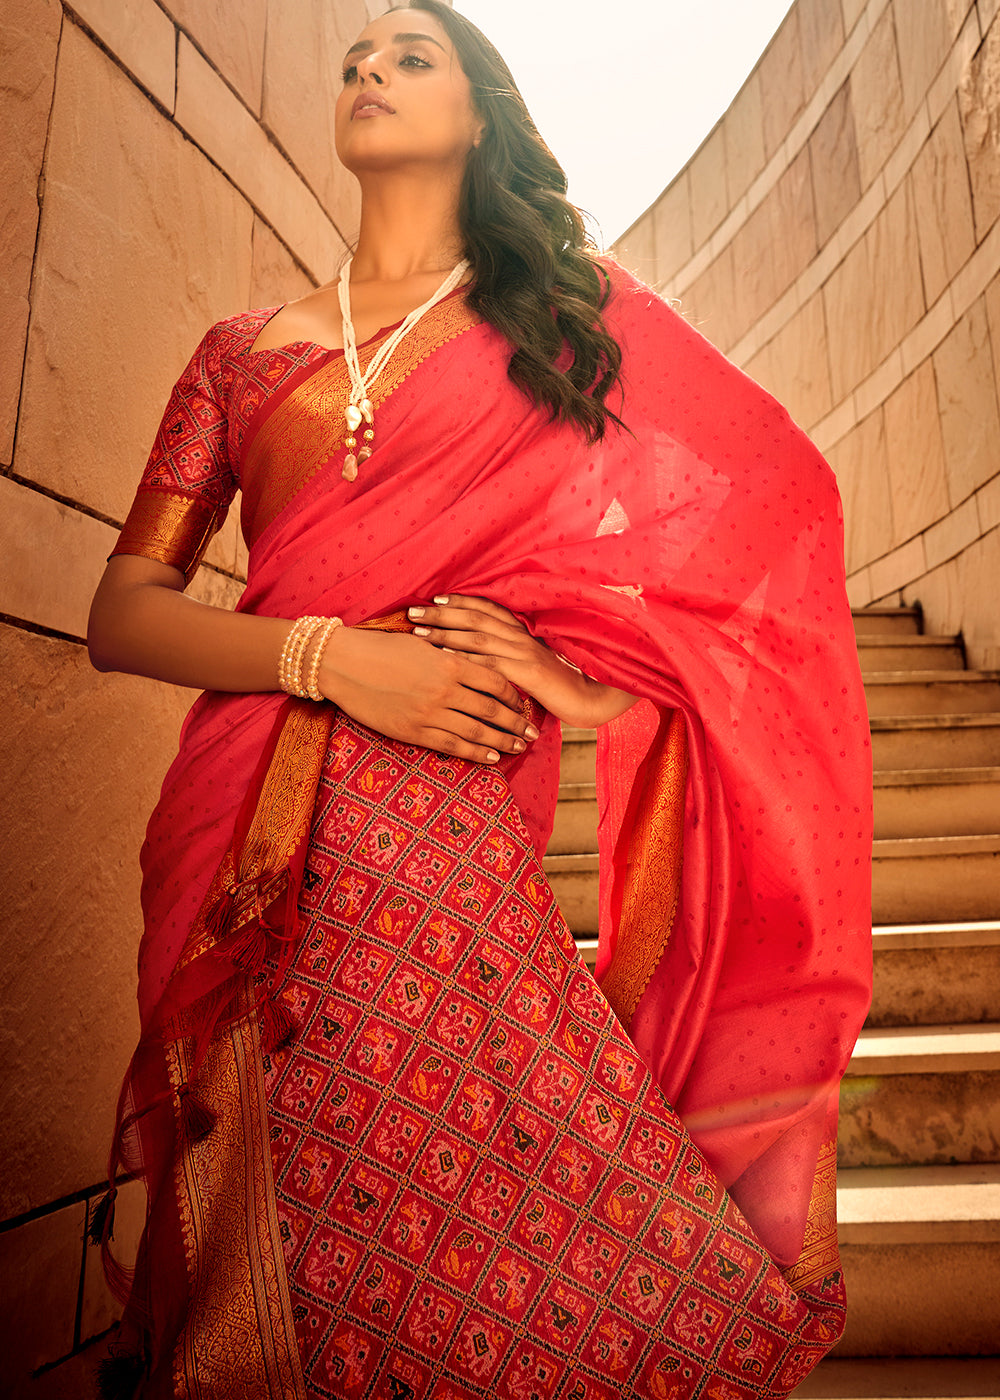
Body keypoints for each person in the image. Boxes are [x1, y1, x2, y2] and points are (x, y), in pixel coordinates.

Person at [87, 3, 873, 1396]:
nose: (370, 71)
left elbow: (765, 510)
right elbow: (123, 614)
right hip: (239, 808)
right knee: (257, 1186)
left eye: (411, 55)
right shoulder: (238, 350)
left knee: (465, 1192)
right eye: (353, 57)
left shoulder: (570, 321)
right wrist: (332, 657)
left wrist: (577, 678)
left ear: (482, 109)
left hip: (443, 818)